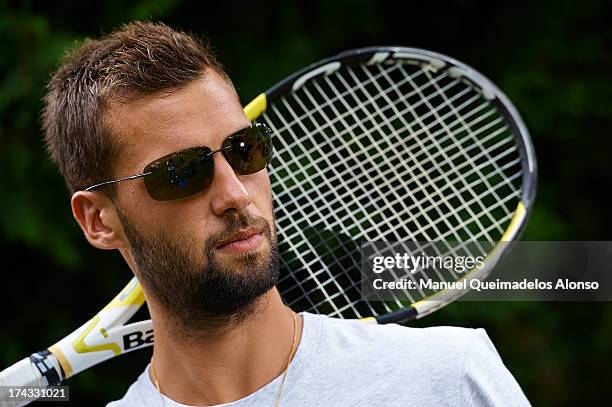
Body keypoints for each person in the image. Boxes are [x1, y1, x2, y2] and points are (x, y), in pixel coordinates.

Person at [42, 21, 530, 406]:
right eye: (182, 173)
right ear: (98, 220)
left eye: (244, 148)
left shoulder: (445, 377)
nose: (235, 194)